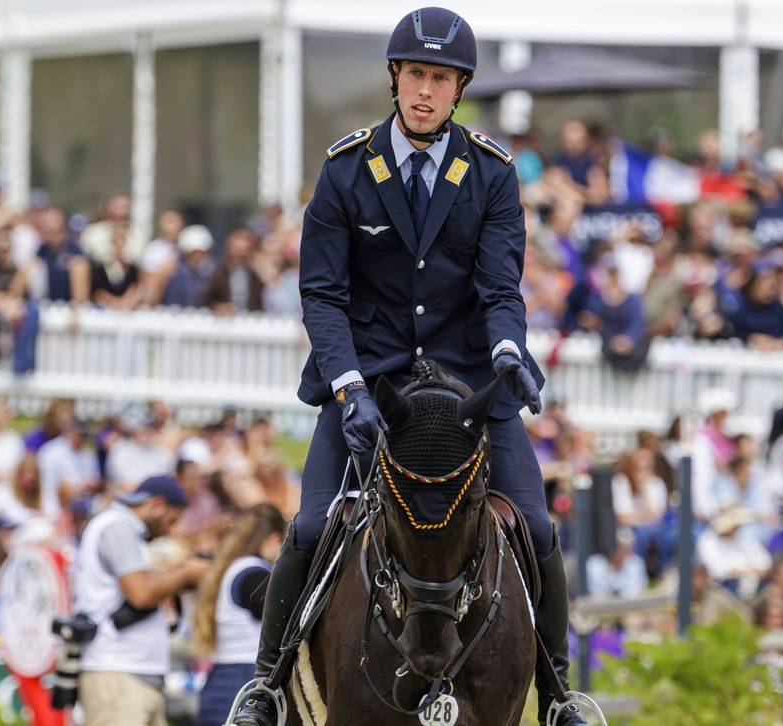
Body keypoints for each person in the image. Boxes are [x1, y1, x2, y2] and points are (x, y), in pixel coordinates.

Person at [231, 8, 584, 725]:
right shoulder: (346, 170)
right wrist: (350, 384)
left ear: (460, 89)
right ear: (396, 78)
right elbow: (322, 295)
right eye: (417, 74)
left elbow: (498, 289)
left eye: (442, 79)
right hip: (372, 384)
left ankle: (557, 695)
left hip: (464, 393)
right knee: (307, 529)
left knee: (540, 532)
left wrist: (509, 354)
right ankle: (265, 687)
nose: (427, 90)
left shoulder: (488, 172)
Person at [73, 475, 209, 726]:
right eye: (171, 520)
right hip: (117, 675)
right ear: (156, 505)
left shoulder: (126, 529)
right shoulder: (118, 526)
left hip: (132, 675)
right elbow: (141, 593)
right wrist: (187, 573)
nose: (169, 530)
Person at [192, 504, 286, 726]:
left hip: (221, 680)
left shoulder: (232, 569)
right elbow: (284, 619)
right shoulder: (254, 574)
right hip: (243, 683)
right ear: (274, 539)